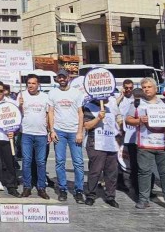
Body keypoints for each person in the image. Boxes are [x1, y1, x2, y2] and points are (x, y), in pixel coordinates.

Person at [126, 78, 165, 213]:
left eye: (149, 87)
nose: (146, 89)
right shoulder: (137, 103)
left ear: (156, 88)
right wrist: (139, 120)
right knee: (144, 173)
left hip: (163, 145)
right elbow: (128, 119)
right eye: (144, 87)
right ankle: (143, 199)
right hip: (145, 144)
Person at [47, 70, 85, 203]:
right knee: (59, 162)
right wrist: (52, 130)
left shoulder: (77, 93)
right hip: (59, 131)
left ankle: (79, 190)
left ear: (68, 78)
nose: (62, 79)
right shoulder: (52, 93)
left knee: (79, 163)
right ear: (57, 79)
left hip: (74, 131)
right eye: (60, 77)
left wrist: (80, 131)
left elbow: (81, 113)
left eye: (64, 77)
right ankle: (62, 188)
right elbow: (50, 113)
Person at [81, 96, 121, 208]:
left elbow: (116, 121)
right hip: (95, 142)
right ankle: (91, 195)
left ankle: (110, 196)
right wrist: (98, 118)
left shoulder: (112, 103)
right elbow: (87, 125)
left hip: (110, 142)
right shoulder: (89, 106)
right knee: (95, 171)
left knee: (111, 172)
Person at [18, 74, 51, 199]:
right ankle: (27, 187)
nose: (30, 85)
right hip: (26, 133)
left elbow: (48, 115)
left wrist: (49, 130)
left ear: (38, 85)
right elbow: (17, 114)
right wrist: (20, 105)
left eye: (33, 83)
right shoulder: (21, 95)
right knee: (26, 161)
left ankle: (41, 187)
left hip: (41, 134)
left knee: (41, 162)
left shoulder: (45, 97)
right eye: (29, 83)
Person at [116, 79, 138, 194]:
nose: (129, 90)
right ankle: (120, 181)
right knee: (119, 157)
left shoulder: (136, 98)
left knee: (133, 158)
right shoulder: (120, 98)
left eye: (130, 88)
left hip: (133, 132)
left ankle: (133, 181)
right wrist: (121, 95)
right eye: (126, 88)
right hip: (120, 131)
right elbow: (114, 106)